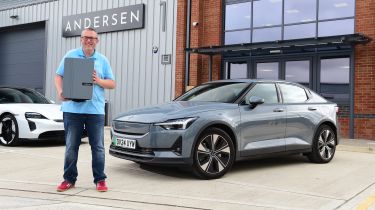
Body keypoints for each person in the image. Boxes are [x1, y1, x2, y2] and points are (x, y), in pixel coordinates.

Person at [54, 28, 115, 192]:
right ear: (81, 39)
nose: (89, 40)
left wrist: (98, 80)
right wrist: (60, 91)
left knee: (98, 147)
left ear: (97, 41)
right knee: (71, 146)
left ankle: (100, 180)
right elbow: (58, 75)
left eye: (92, 38)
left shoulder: (102, 60)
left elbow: (112, 84)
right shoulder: (70, 55)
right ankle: (69, 179)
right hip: (72, 110)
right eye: (86, 37)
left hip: (95, 111)